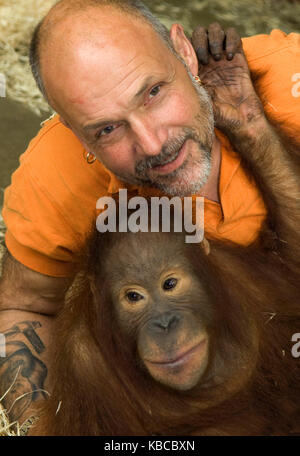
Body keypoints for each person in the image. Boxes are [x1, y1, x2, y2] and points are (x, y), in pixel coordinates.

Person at [0, 0, 299, 427]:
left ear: (184, 50)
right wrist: (38, 424)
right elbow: (22, 307)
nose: (153, 144)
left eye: (153, 93)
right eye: (107, 128)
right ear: (72, 129)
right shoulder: (54, 175)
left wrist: (253, 127)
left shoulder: (287, 78)